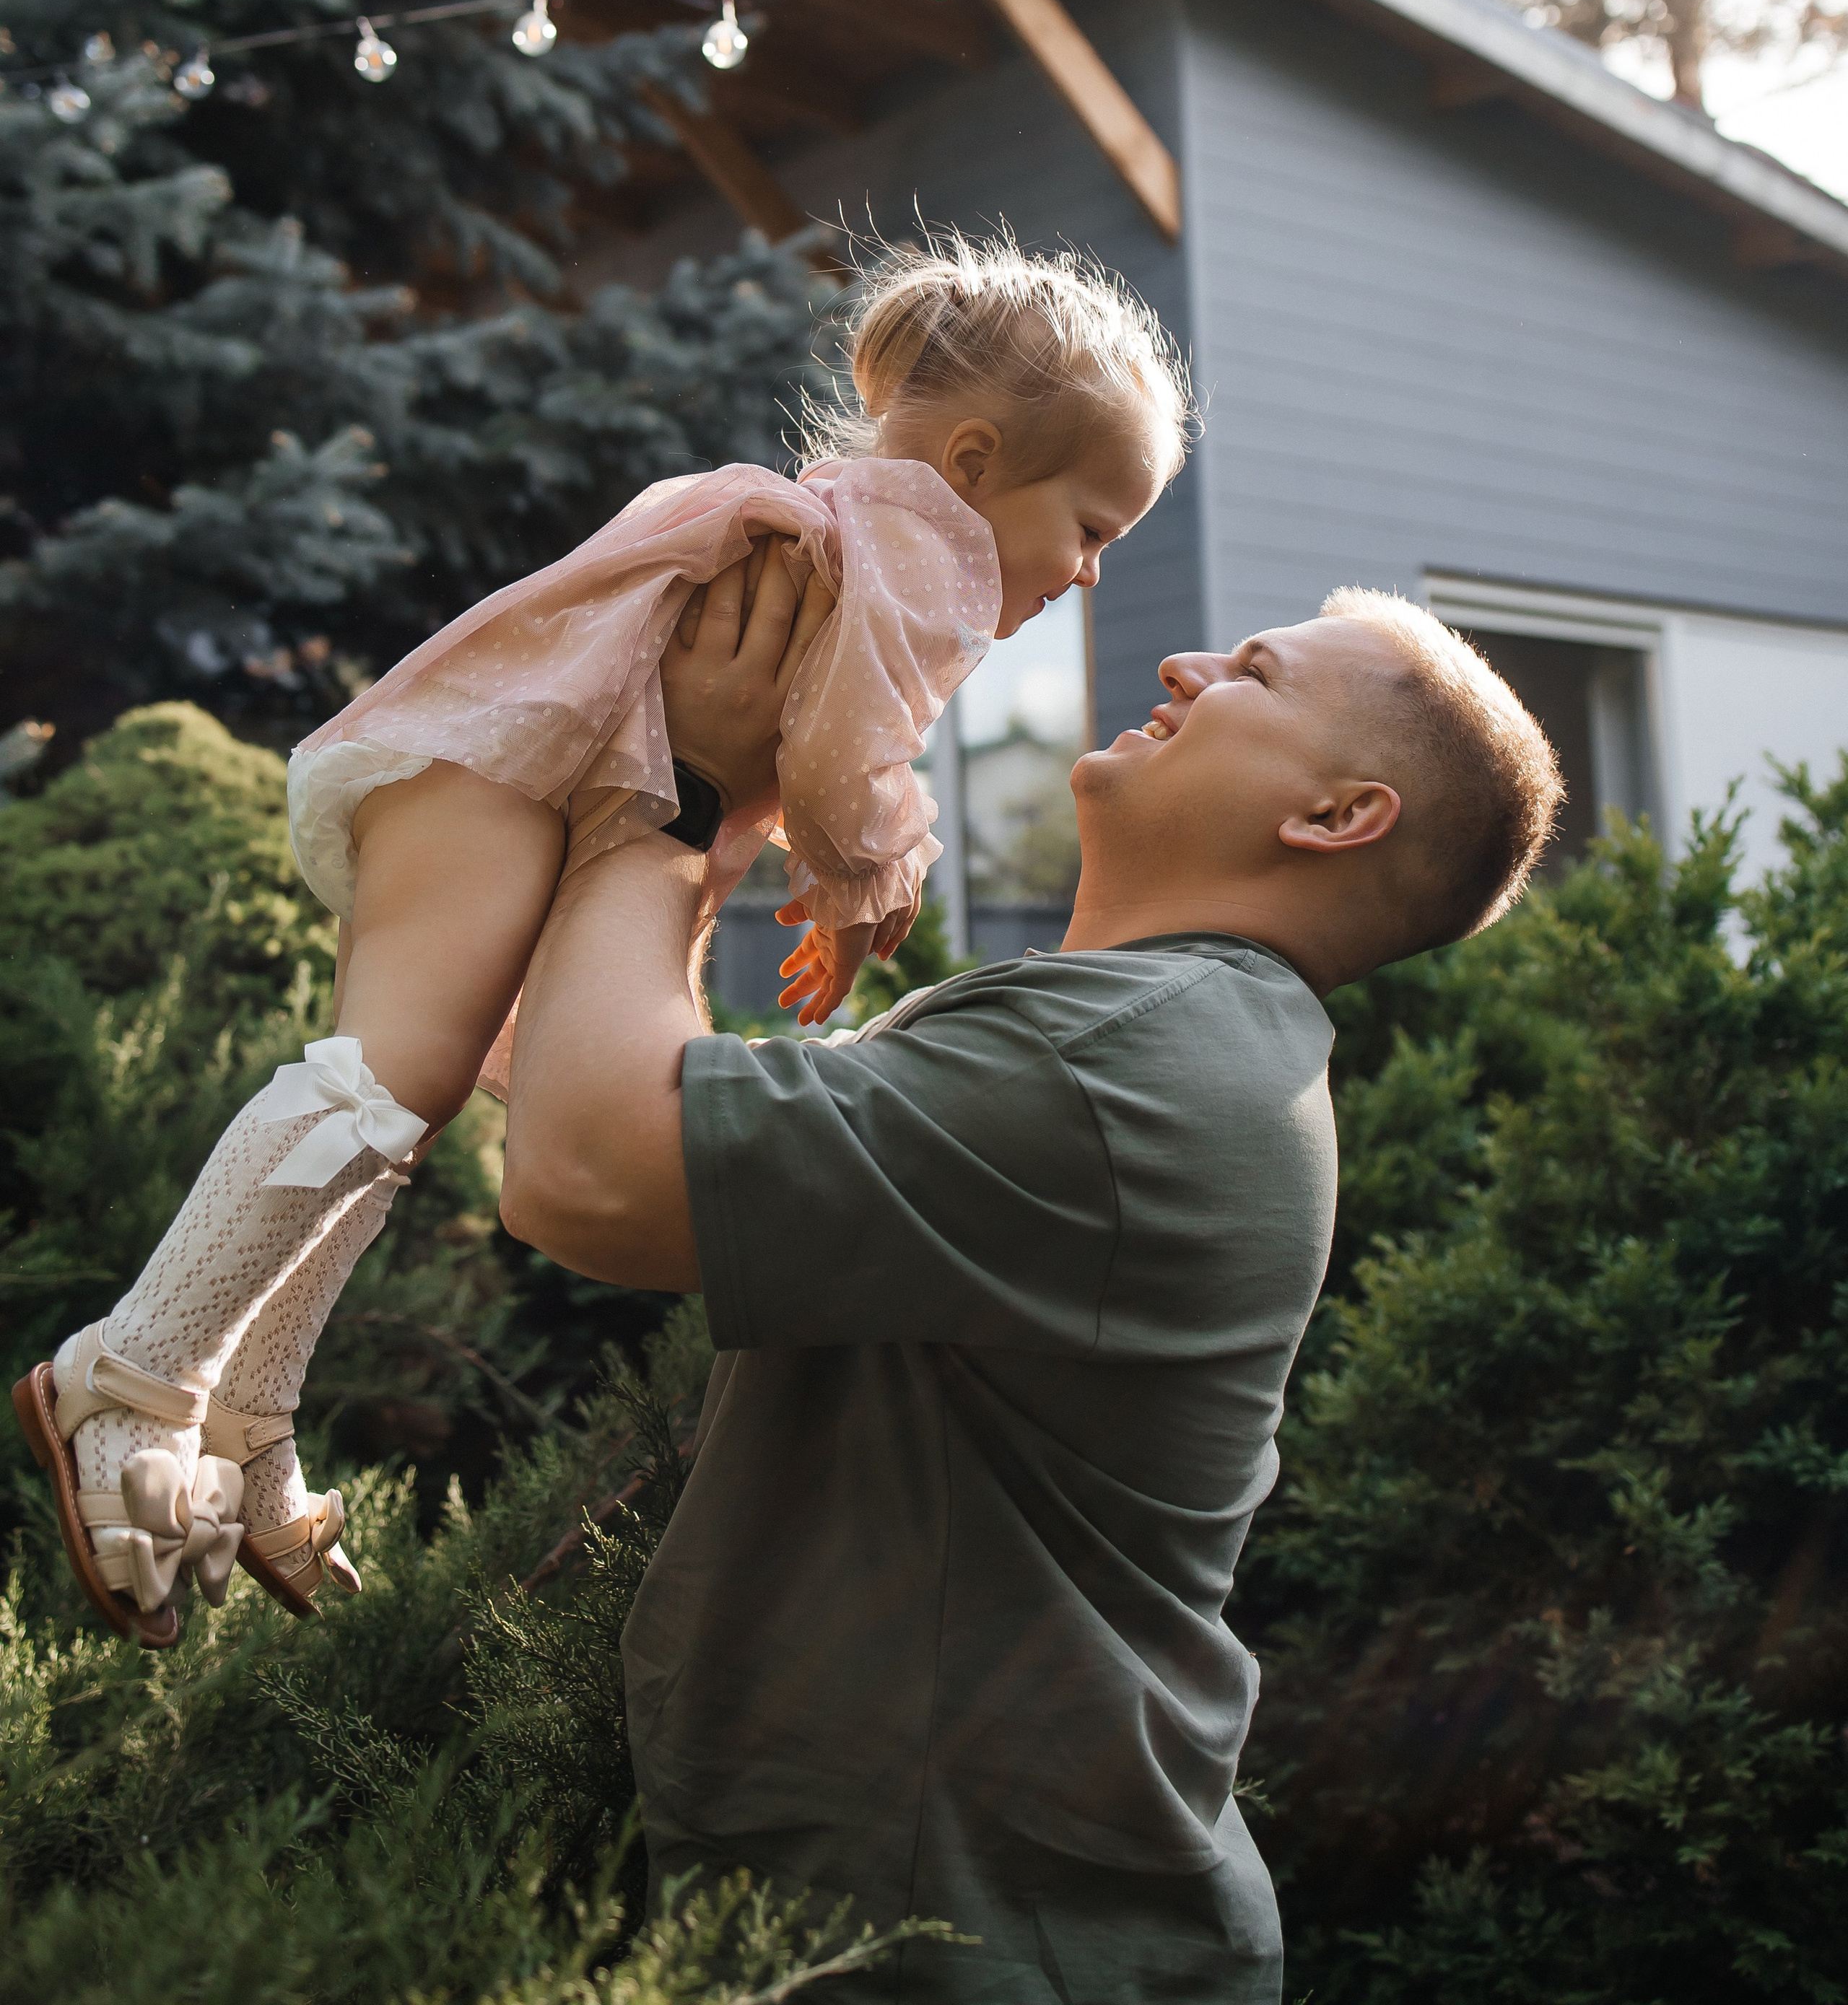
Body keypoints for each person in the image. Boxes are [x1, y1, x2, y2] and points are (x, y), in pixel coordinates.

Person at [13, 237, 1190, 1646]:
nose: (1094, 571)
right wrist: (862, 872)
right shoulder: (910, 551)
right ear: (982, 458)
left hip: (496, 767)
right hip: (503, 771)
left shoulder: (854, 526)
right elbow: (842, 749)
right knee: (382, 1081)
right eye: (1092, 525)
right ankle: (134, 1367)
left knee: (403, 1103)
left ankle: (250, 1412)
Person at [497, 572, 1563, 2002]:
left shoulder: (1124, 1063)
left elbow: (582, 1169)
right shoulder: (1160, 1036)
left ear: (1331, 815)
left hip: (970, 1943)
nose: (1182, 663)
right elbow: (607, 1091)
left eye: (1253, 671)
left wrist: (685, 788)